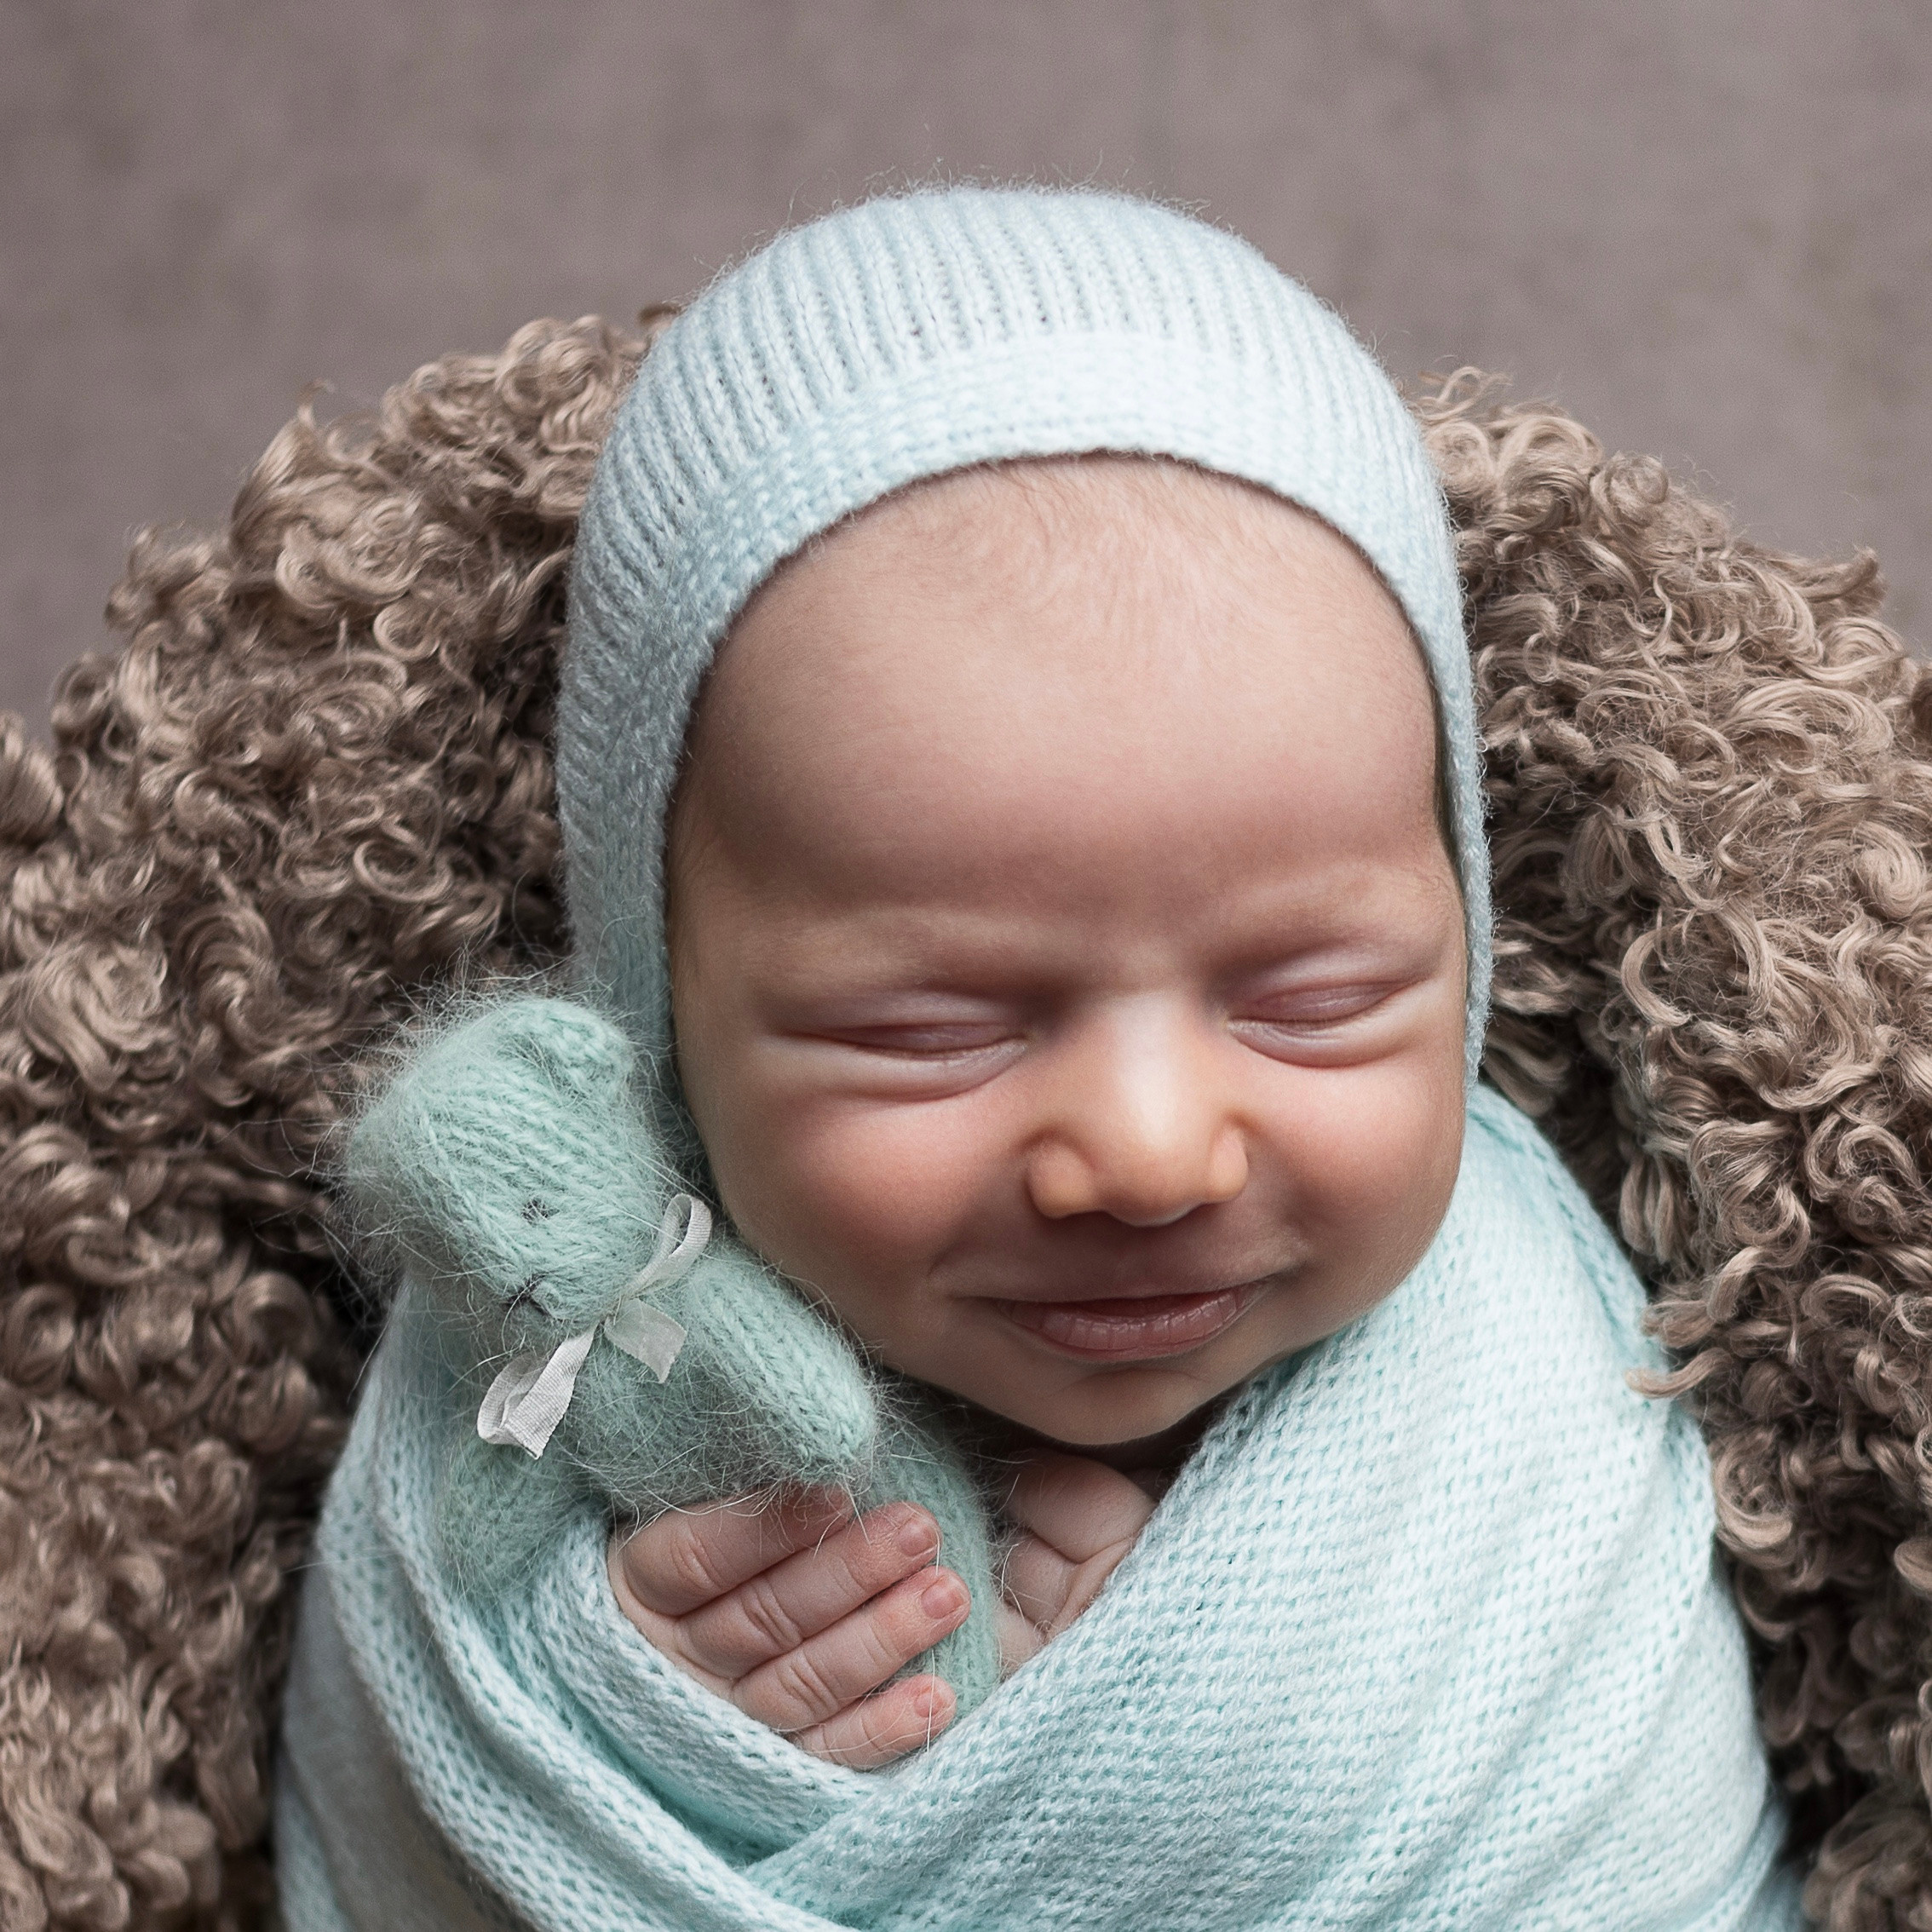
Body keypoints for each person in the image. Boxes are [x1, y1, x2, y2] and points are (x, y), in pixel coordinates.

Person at [275, 184, 1805, 1929]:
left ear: (1463, 941)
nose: (1151, 1153)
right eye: (933, 1028)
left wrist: (1195, 1736)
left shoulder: (1539, 1404)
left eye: (1309, 999)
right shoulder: (541, 1353)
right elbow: (421, 1784)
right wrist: (650, 1705)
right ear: (655, 1005)